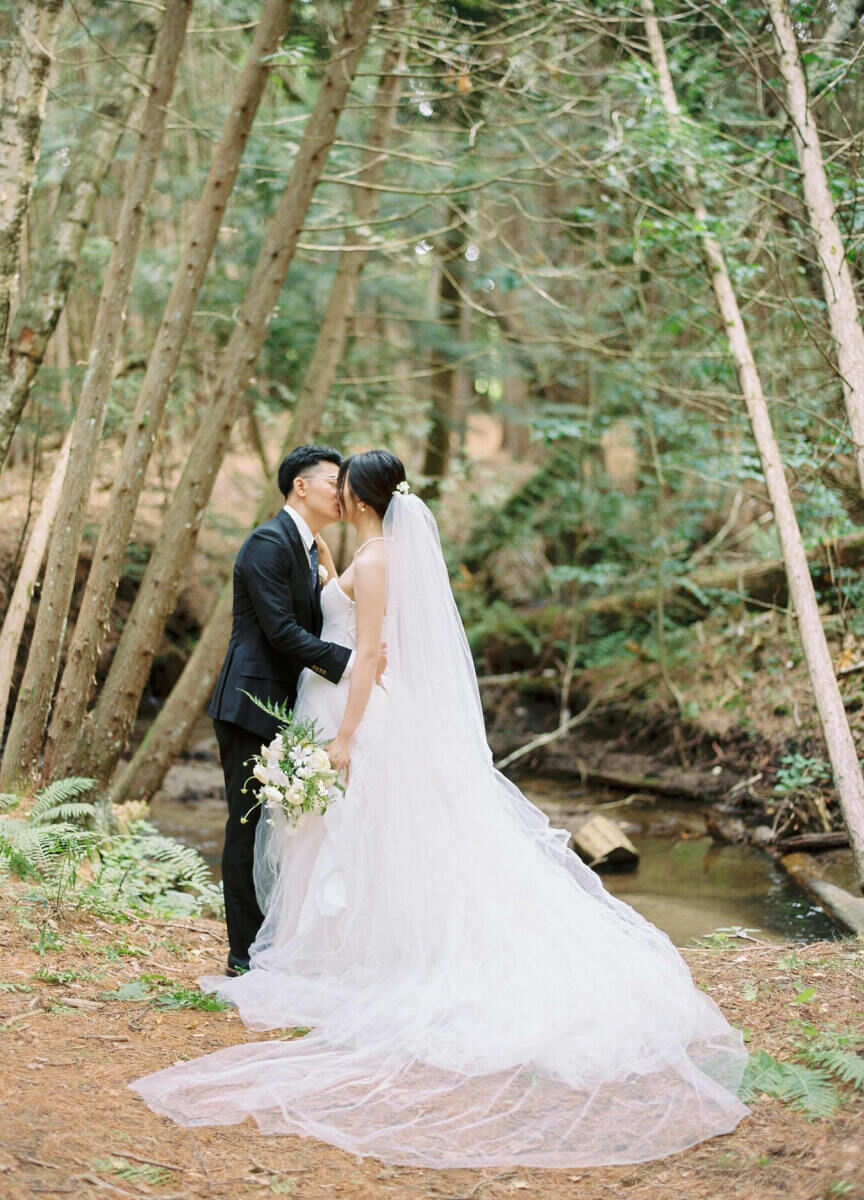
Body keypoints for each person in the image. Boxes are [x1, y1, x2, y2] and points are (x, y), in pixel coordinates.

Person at [133, 449, 749, 1168]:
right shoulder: (317, 548)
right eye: (326, 480)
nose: (335, 490)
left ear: (357, 497)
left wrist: (350, 731)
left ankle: (328, 955)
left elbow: (363, 651)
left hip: (349, 711)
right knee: (318, 838)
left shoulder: (372, 557)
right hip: (307, 702)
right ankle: (286, 953)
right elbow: (315, 634)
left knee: (353, 840)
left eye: (342, 482)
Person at [207, 445, 352, 976]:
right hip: (249, 703)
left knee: (280, 827)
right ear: (301, 486)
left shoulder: (309, 547)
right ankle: (242, 955)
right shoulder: (268, 542)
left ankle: (272, 940)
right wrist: (351, 664)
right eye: (335, 481)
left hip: (287, 705)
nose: (343, 491)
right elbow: (282, 632)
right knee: (246, 826)